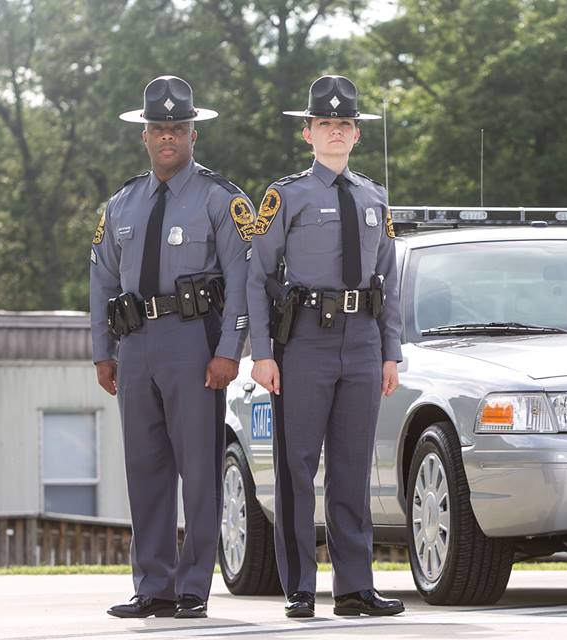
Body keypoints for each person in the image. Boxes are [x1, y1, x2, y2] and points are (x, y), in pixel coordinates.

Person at [89, 75, 254, 619]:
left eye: (177, 129)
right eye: (158, 129)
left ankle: (192, 589)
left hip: (194, 342)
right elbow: (102, 282)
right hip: (136, 344)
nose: (167, 138)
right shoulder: (121, 204)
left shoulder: (221, 200)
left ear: (192, 135)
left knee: (198, 469)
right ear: (144, 136)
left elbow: (242, 280)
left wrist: (230, 349)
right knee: (146, 467)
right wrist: (102, 351)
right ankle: (152, 585)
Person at [247, 75, 404, 618]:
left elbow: (389, 278)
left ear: (356, 134)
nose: (335, 133)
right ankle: (300, 586)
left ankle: (355, 587)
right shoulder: (283, 196)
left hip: (361, 341)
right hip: (305, 342)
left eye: (344, 125)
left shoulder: (373, 197)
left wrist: (392, 352)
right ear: (308, 133)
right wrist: (262, 352)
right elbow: (257, 275)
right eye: (325, 125)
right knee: (296, 467)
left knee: (352, 466)